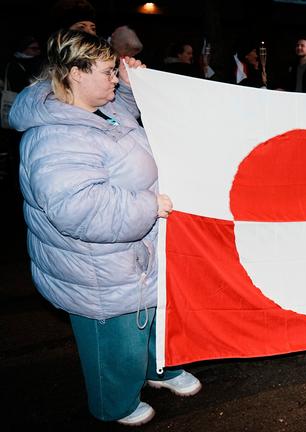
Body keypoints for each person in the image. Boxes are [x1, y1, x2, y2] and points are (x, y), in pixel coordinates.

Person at [8, 29, 201, 426]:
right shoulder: (56, 136)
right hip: (97, 265)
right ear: (76, 74)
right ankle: (114, 402)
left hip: (131, 253)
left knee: (145, 322)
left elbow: (120, 131)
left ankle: (155, 369)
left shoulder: (97, 106)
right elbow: (77, 208)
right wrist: (148, 205)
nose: (115, 78)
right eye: (109, 72)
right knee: (114, 340)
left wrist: (130, 89)